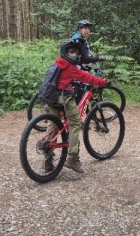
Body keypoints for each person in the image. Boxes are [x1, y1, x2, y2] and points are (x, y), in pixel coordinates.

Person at [45, 38, 108, 174]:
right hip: (64, 98)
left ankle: (48, 158)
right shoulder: (70, 67)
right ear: (66, 52)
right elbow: (86, 77)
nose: (74, 55)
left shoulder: (58, 63)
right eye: (71, 52)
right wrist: (102, 82)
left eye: (76, 52)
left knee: (53, 125)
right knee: (75, 123)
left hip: (52, 97)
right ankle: (73, 158)